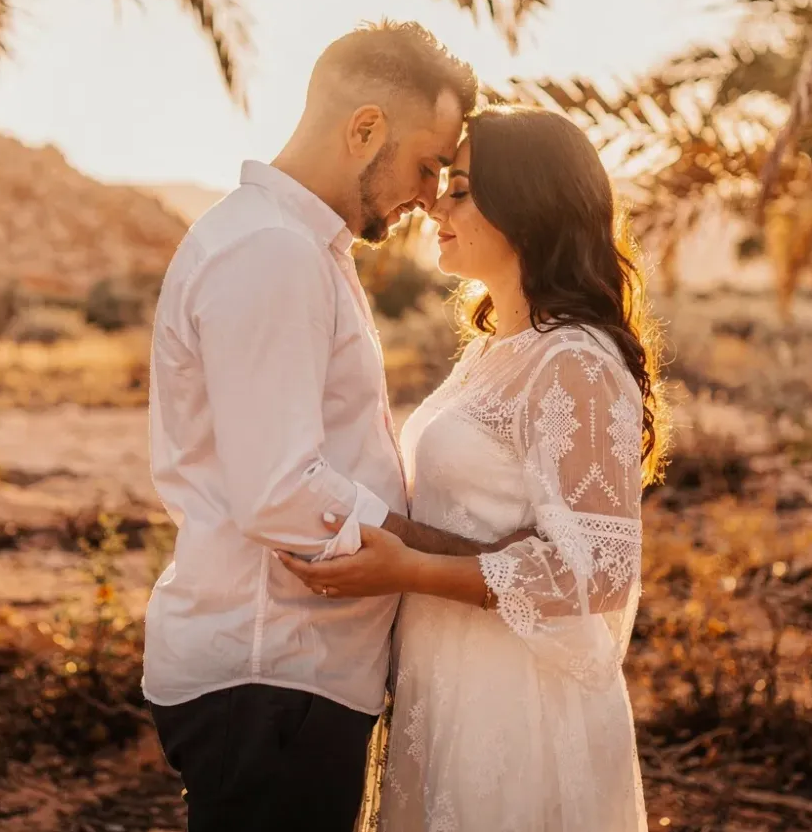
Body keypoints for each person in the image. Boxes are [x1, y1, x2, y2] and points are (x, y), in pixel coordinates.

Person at [144, 21, 511, 832]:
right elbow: (281, 492)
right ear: (365, 127)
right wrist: (456, 559)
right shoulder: (272, 252)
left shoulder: (297, 247)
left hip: (285, 683)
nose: (428, 195)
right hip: (271, 679)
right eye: (426, 165)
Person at [281, 104, 664, 832]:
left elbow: (600, 570)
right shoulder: (498, 350)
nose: (436, 206)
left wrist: (409, 571)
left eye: (460, 188)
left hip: (518, 705)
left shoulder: (574, 362)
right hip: (450, 682)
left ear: (530, 204)